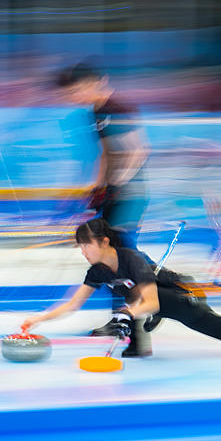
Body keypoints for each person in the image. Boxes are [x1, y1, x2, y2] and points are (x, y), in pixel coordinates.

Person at [22, 218, 221, 358]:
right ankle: (138, 345)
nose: (82, 250)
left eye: (85, 244)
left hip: (177, 298)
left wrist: (128, 313)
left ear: (103, 242)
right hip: (151, 303)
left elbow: (151, 301)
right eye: (80, 246)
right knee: (126, 309)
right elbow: (72, 303)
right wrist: (38, 319)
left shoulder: (131, 260)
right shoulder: (98, 270)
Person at [55, 62, 150, 337]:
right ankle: (123, 316)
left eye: (81, 89)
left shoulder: (119, 109)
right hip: (114, 194)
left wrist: (119, 183)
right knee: (112, 261)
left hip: (130, 197)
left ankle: (153, 301)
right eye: (73, 92)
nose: (77, 96)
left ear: (99, 82)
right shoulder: (95, 113)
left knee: (123, 259)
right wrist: (96, 188)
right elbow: (105, 153)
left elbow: (139, 150)